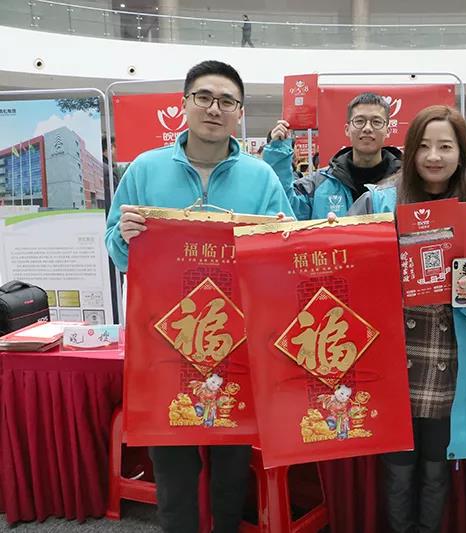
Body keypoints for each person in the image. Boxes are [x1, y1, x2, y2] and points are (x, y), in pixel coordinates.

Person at [104, 60, 293, 533]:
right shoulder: (145, 170)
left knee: (232, 468)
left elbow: (285, 255)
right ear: (184, 104)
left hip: (238, 346)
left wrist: (280, 240)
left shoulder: (262, 178)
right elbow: (116, 249)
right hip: (164, 344)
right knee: (173, 471)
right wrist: (125, 236)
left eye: (227, 101)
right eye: (204, 97)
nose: (214, 108)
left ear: (239, 113)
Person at [349, 105, 466, 533]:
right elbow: (345, 278)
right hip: (391, 367)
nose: (434, 157)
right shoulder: (377, 204)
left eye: (445, 146)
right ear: (409, 151)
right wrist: (338, 238)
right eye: (423, 146)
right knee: (398, 470)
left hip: (448, 369)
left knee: (437, 472)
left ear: (462, 154)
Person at [264, 92, 402, 220]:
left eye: (376, 122)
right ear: (347, 129)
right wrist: (278, 154)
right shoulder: (318, 184)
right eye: (359, 121)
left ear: (388, 130)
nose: (367, 128)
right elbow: (287, 207)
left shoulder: (405, 183)